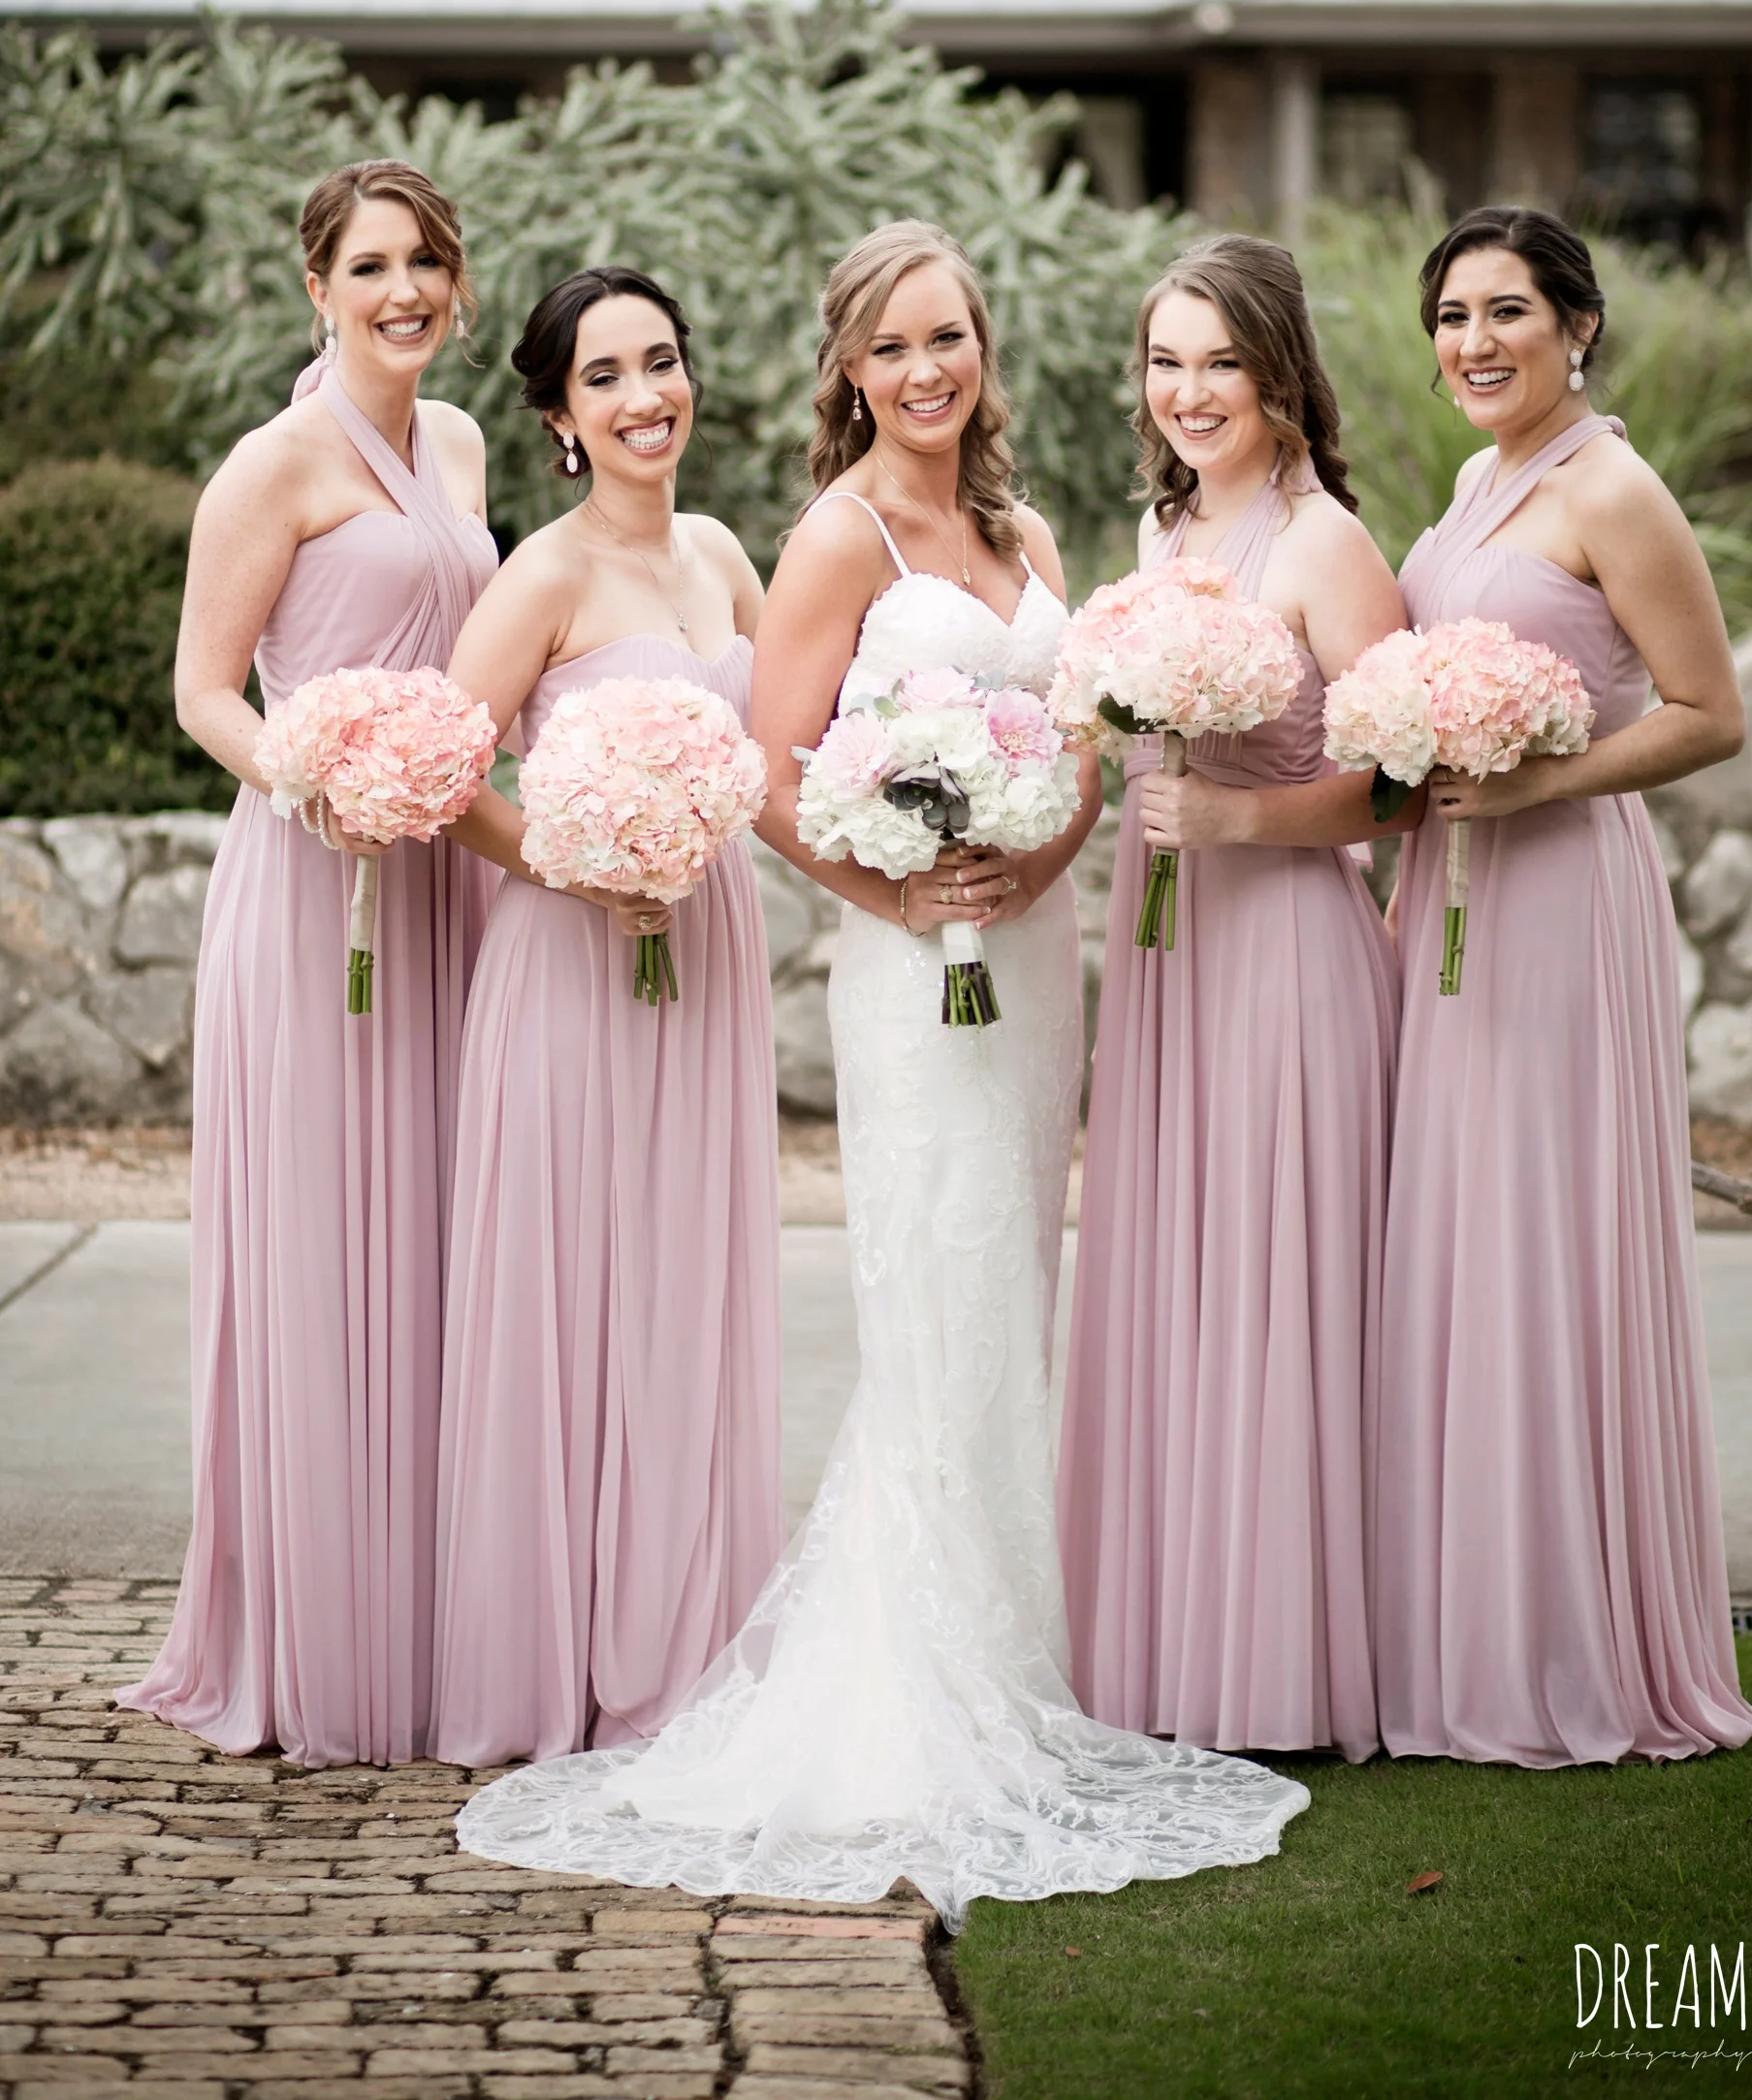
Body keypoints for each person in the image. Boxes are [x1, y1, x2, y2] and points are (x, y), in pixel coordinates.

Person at [452, 220, 1309, 1923]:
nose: (929, 371)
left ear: (983, 351)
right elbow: (772, 779)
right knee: (939, 1295)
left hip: (1035, 954)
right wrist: (903, 889)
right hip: (911, 972)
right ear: (850, 368)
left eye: (953, 339)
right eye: (895, 346)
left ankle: (1022, 1666)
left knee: (1018, 1290)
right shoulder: (834, 541)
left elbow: (1076, 743)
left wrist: (1038, 873)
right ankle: (919, 1690)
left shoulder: (1028, 528)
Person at [120, 161, 495, 1767]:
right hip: (313, 891)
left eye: (424, 263)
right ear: (317, 291)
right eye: (370, 266)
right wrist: (315, 778)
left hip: (444, 894)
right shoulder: (270, 467)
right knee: (327, 1235)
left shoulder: (465, 445)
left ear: (455, 286)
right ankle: (312, 1634)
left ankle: (432, 1617)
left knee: (431, 1237)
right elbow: (207, 690)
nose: (401, 290)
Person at [1376, 203, 1752, 1766]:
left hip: (1556, 896)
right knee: (1462, 1229)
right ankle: (1462, 1618)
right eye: (1453, 317)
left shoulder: (1616, 487)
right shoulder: (1479, 481)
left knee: (1542, 1234)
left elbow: (1710, 710)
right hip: (1450, 887)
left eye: (1509, 313)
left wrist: (1543, 783)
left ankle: (1570, 1642)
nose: (1476, 343)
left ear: (1577, 327)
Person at [1060, 235, 1412, 1762]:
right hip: (1165, 966)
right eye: (1166, 361)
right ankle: (1173, 1642)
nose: (1189, 392)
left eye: (1219, 362)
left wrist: (1241, 823)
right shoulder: (1164, 532)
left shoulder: (1324, 546)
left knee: (1276, 1289)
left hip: (1282, 955)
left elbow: (1403, 781)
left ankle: (1283, 1666)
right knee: (1182, 1280)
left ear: (1279, 375)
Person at [429, 268, 781, 1768]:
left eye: (663, 361)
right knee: (572, 1294)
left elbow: (786, 742)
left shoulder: (719, 554)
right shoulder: (544, 576)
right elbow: (446, 781)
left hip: (708, 959)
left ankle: (684, 1638)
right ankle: (551, 1662)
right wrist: (581, 856)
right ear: (563, 417)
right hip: (569, 970)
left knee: (685, 1289)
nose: (647, 397)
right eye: (607, 378)